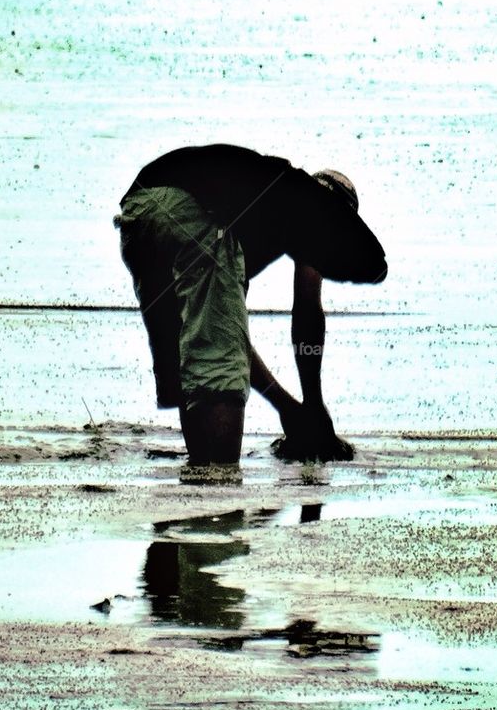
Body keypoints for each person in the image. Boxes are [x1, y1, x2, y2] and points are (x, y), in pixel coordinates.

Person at [114, 143, 387, 479]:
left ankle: (201, 471)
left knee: (193, 360)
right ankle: (218, 480)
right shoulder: (299, 205)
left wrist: (292, 407)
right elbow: (307, 316)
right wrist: (308, 406)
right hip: (187, 207)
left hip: (139, 214)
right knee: (217, 367)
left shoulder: (259, 213)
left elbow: (234, 330)